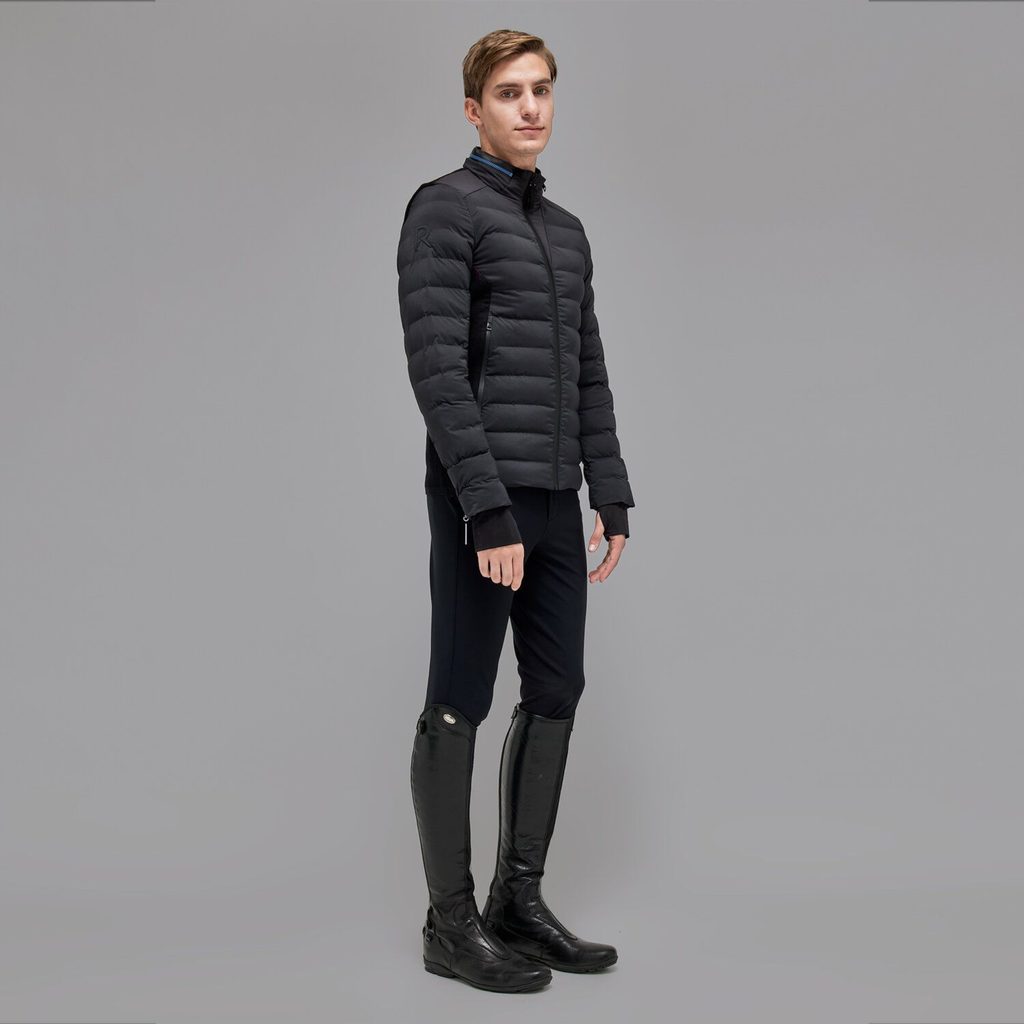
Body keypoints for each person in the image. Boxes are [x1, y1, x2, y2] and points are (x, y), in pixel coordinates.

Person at [396, 28, 635, 993]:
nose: (530, 107)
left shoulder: (566, 231)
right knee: (459, 697)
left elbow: (588, 370)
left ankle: (515, 903)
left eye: (541, 90)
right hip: (481, 498)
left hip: (556, 496)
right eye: (508, 93)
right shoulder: (443, 210)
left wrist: (609, 488)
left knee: (557, 689)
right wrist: (486, 510)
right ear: (474, 110)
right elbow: (437, 372)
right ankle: (448, 927)